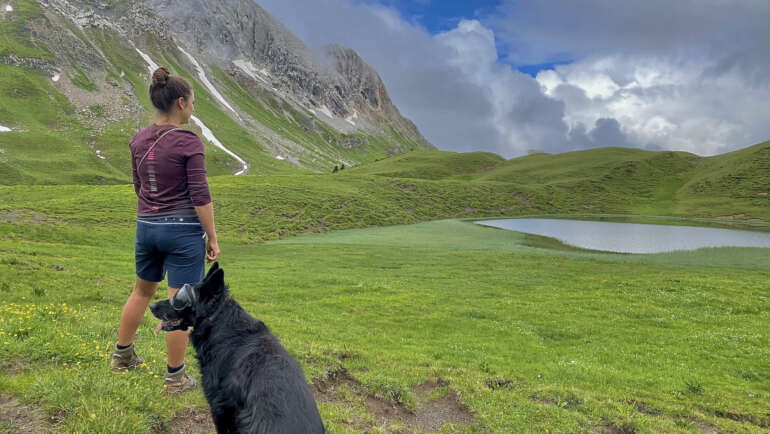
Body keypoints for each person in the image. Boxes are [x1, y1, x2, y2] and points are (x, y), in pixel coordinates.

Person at [110, 66, 220, 394]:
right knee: (180, 303)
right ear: (181, 103)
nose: (193, 109)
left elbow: (138, 185)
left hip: (146, 227)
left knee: (141, 291)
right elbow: (200, 196)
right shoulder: (189, 143)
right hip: (182, 231)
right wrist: (212, 236)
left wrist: (153, 213)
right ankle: (175, 378)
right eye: (193, 103)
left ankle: (122, 356)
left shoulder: (138, 139)